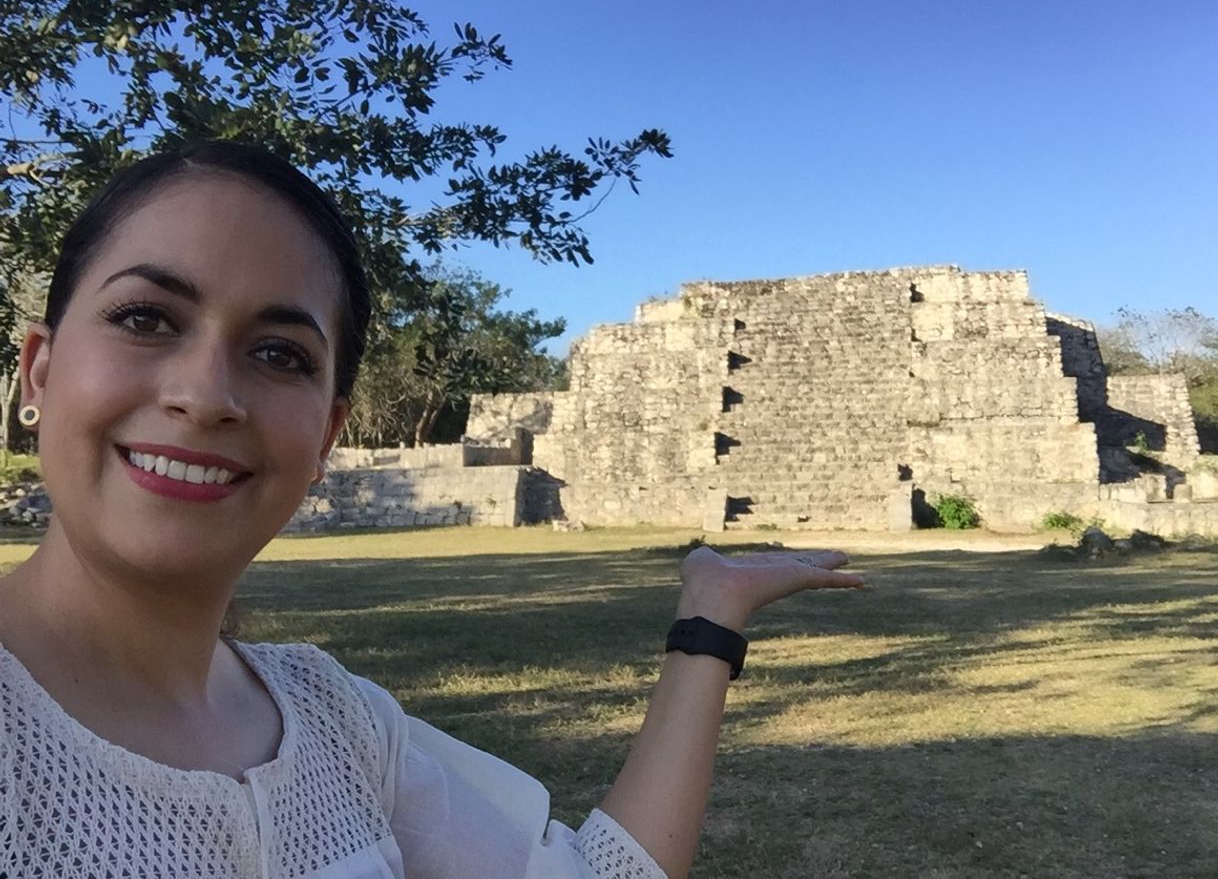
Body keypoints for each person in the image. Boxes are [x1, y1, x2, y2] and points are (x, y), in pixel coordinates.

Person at [0, 141, 863, 879]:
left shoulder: (334, 719)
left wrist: (709, 617)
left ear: (327, 433)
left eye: (280, 354)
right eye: (146, 318)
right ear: (39, 369)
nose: (204, 395)